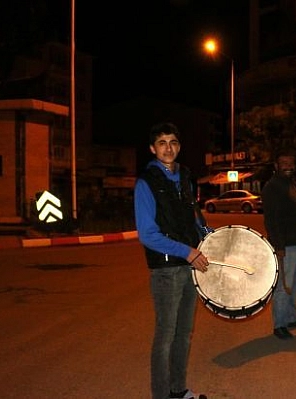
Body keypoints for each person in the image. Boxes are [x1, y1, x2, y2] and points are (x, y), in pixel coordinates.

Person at [134, 122, 209, 399]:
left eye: (174, 142)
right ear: (153, 149)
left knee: (184, 333)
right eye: (162, 142)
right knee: (165, 337)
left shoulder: (186, 177)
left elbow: (195, 219)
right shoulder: (146, 182)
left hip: (190, 266)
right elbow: (147, 234)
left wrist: (210, 237)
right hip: (166, 269)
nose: (169, 148)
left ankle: (178, 390)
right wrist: (187, 251)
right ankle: (161, 395)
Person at [262, 151, 296, 340]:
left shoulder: (293, 183)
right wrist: (279, 246)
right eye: (283, 163)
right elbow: (271, 220)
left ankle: (291, 317)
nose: (288, 166)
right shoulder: (272, 187)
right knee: (284, 286)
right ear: (276, 165)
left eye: (291, 163)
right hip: (286, 245)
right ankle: (280, 324)